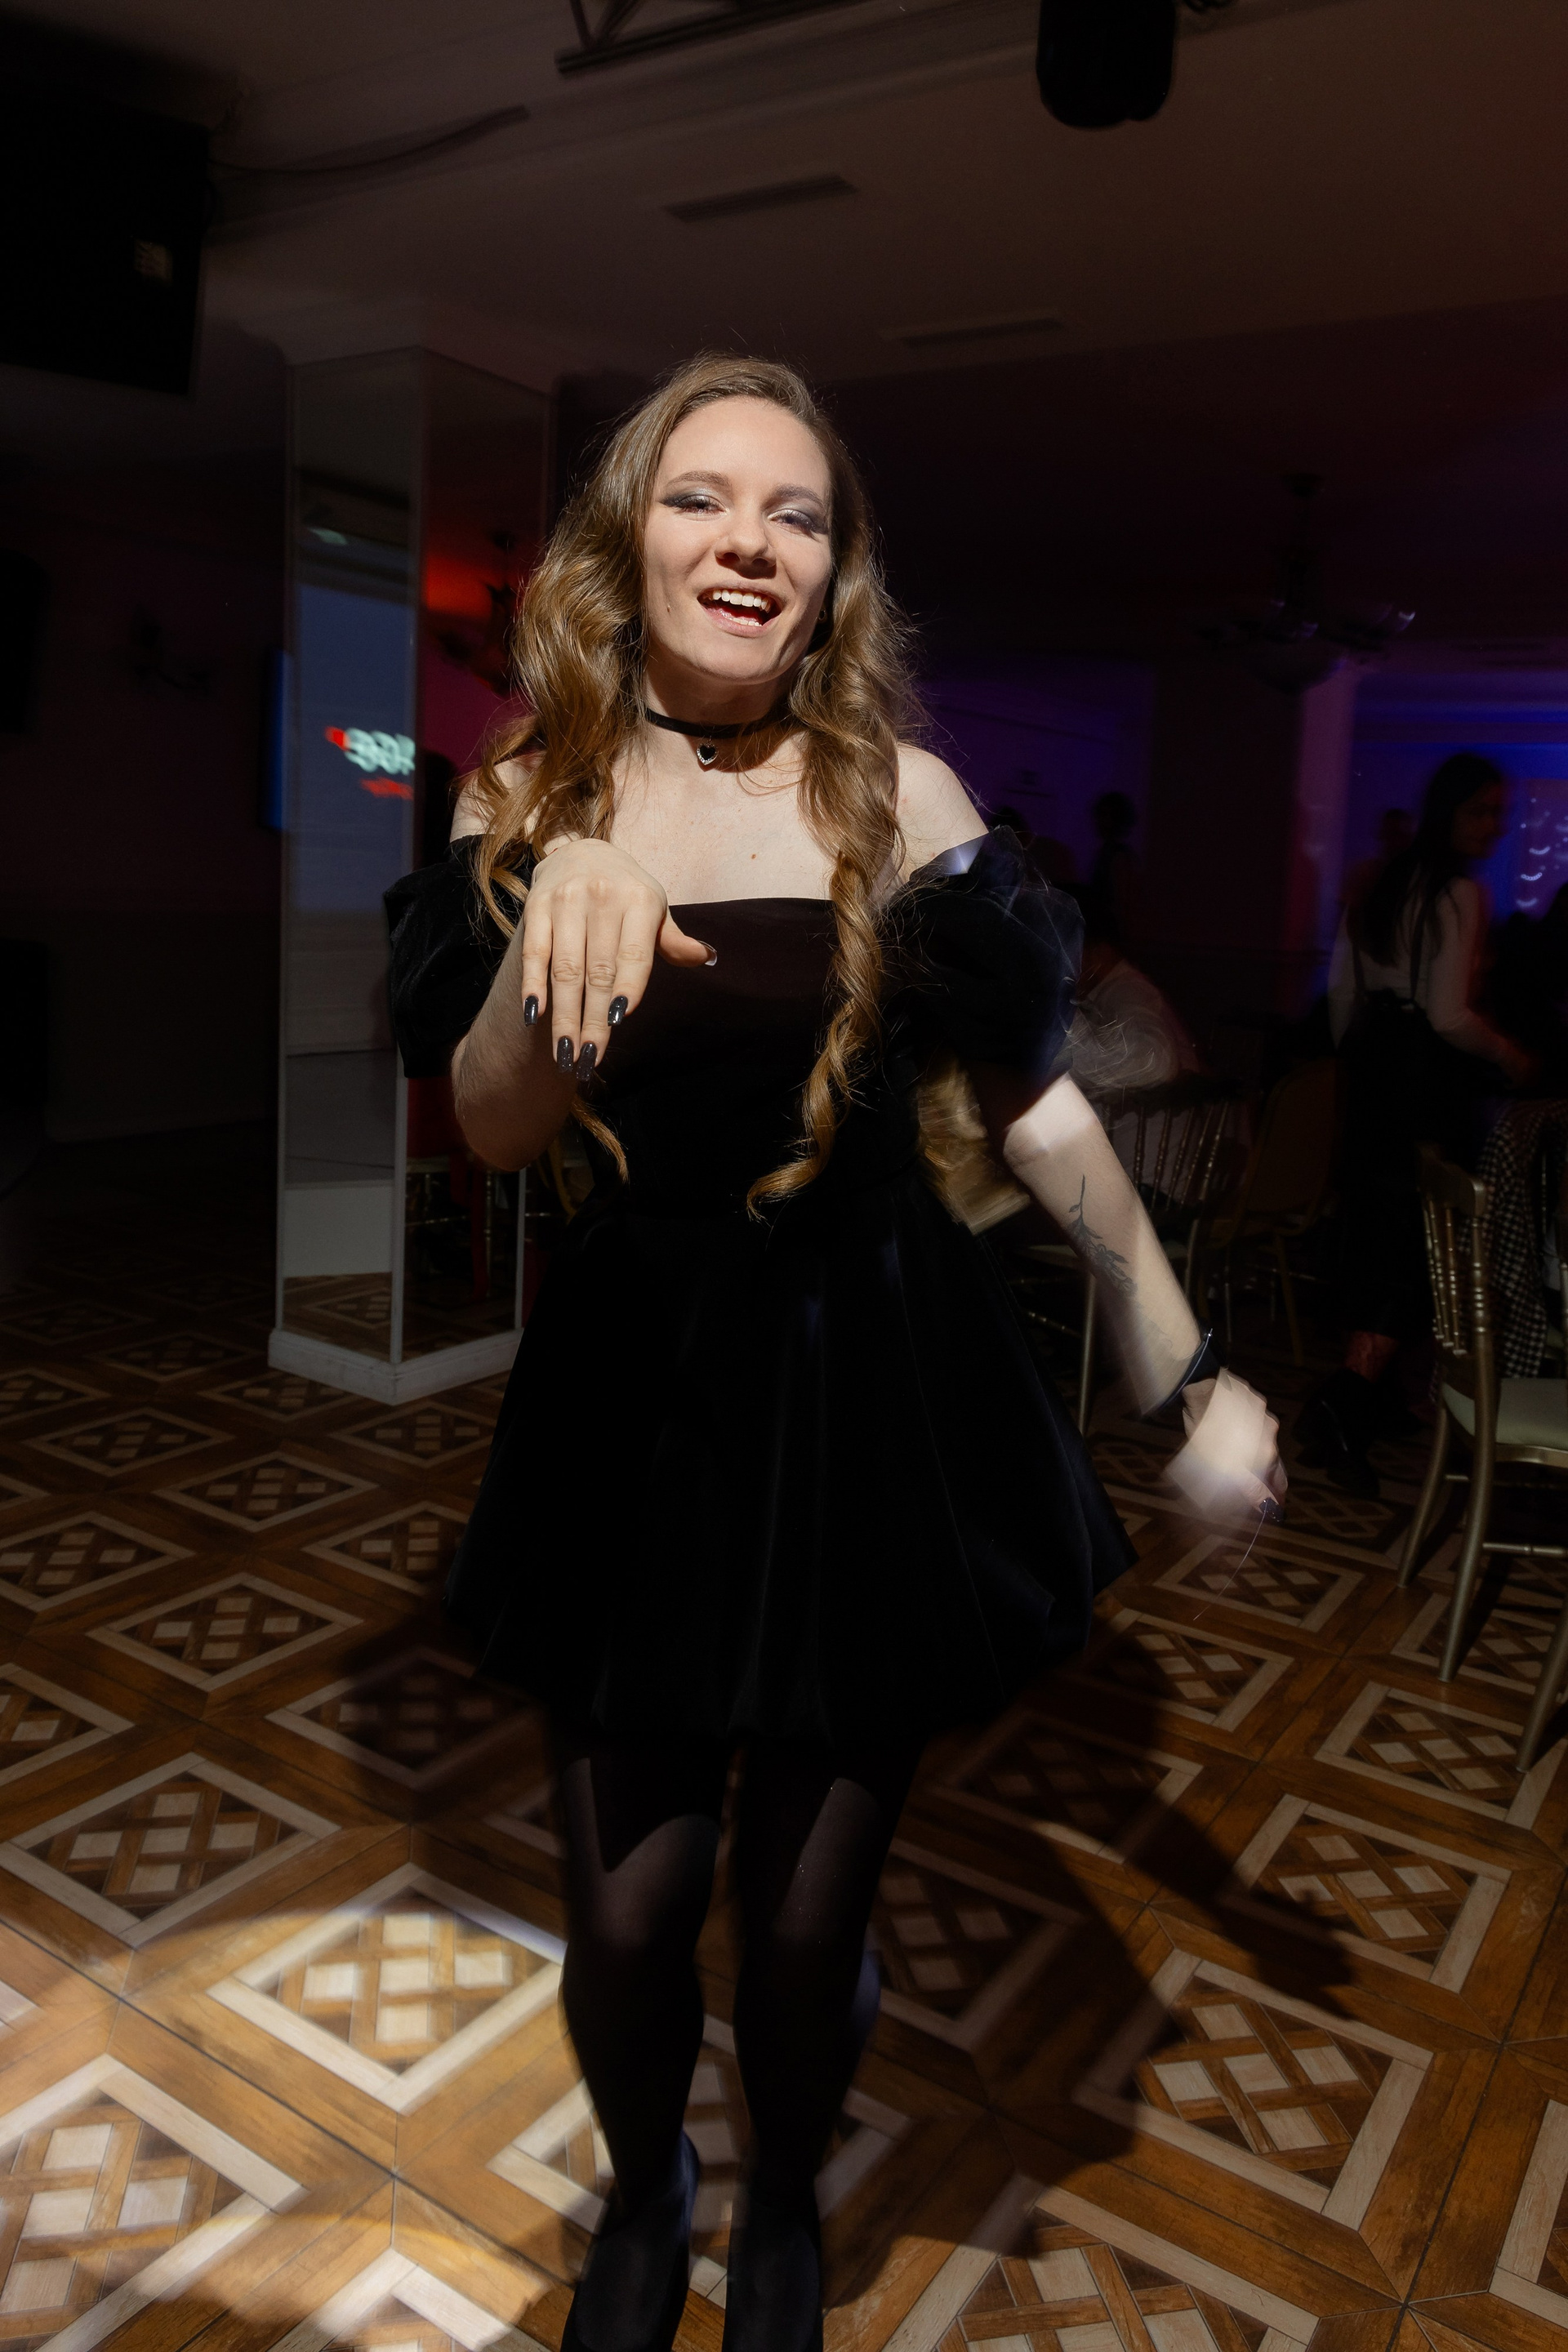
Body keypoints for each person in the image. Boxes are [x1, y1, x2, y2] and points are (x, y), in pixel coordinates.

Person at [384, 355, 1283, 2352]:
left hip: (867, 1389)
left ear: (833, 569)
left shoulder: (903, 798)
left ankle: (782, 2200)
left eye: (796, 513)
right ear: (627, 540)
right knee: (632, 1909)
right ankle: (650, 2196)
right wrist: (560, 917)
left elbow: (1040, 1112)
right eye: (704, 498)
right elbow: (495, 1129)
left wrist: (1186, 1367)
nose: (751, 543)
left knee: (803, 1923)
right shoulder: (520, 794)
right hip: (633, 1395)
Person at [1304, 752, 1530, 1495]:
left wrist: (1360, 1062)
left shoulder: (1380, 880)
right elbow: (1448, 1015)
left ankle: (1359, 1401)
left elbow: (1341, 993)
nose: (1494, 826)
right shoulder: (1457, 891)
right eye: (1481, 811)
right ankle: (1345, 1402)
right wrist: (1511, 1055)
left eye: (1497, 812)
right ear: (1448, 813)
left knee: (1378, 1235)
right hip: (1423, 1077)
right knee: (1410, 1245)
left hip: (1375, 1064)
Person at [1079, 789, 1140, 948]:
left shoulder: (1119, 856)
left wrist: (1125, 938)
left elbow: (1123, 902)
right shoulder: (1106, 853)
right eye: (1100, 815)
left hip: (1109, 934)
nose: (1099, 821)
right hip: (1102, 932)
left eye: (1105, 816)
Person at [1341, 804, 1414, 915]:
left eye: (1398, 834)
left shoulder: (1415, 876)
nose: (1395, 841)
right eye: (1390, 834)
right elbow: (1349, 913)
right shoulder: (1365, 873)